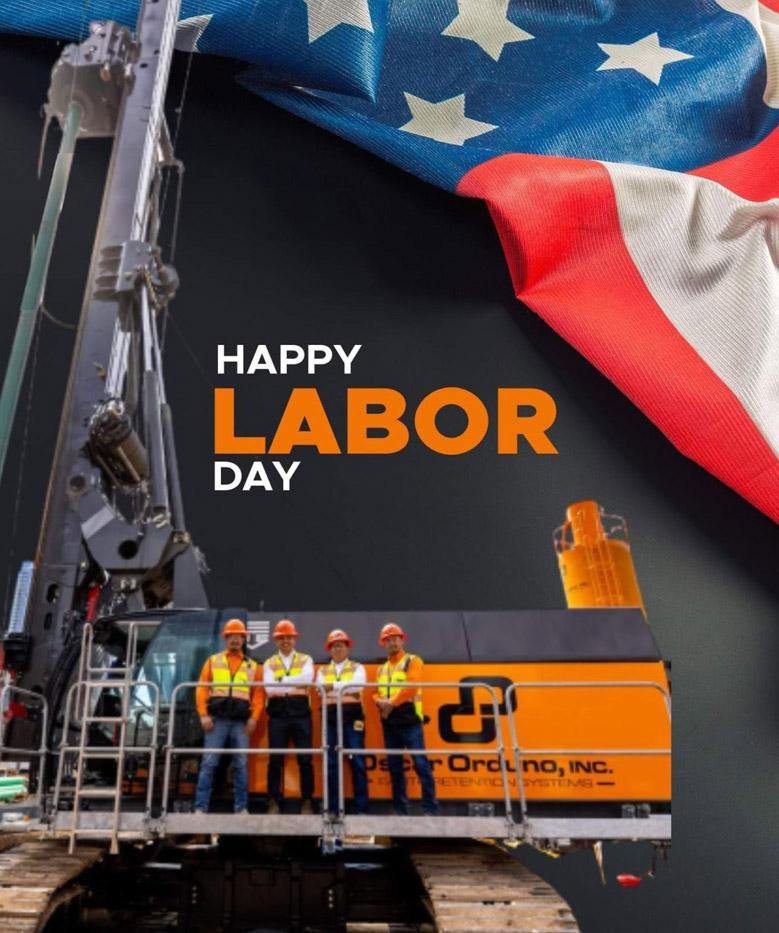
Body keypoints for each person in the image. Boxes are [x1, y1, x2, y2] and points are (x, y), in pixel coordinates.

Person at [194, 618, 263, 814]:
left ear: (243, 640)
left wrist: (254, 718)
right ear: (226, 638)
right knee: (209, 762)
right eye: (231, 636)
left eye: (238, 636)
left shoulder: (252, 666)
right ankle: (200, 807)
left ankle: (241, 807)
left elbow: (258, 695)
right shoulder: (213, 661)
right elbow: (201, 690)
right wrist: (203, 715)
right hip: (217, 721)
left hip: (241, 723)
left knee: (241, 764)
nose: (235, 640)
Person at [374, 622, 438, 816]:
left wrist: (391, 703)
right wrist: (379, 701)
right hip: (390, 722)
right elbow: (375, 692)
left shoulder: (413, 661)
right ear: (383, 644)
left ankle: (430, 810)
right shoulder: (381, 669)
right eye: (388, 640)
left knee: (421, 764)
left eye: (395, 639)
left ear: (402, 640)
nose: (392, 643)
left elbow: (412, 686)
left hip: (410, 721)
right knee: (394, 768)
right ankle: (401, 811)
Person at [263, 619, 314, 814]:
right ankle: (273, 801)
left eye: (289, 637)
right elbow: (269, 688)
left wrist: (281, 681)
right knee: (275, 760)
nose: (286, 641)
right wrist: (294, 682)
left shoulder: (306, 659)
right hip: (278, 715)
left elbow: (307, 680)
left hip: (301, 714)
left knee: (305, 759)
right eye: (282, 638)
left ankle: (307, 801)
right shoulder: (269, 662)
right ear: (276, 641)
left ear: (294, 640)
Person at [316, 628, 369, 816]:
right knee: (331, 765)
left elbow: (358, 685)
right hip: (330, 720)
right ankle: (332, 809)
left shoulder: (358, 667)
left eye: (341, 645)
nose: (337, 649)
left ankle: (361, 809)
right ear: (329, 650)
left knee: (358, 763)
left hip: (352, 720)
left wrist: (332, 687)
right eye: (334, 646)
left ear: (348, 648)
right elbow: (319, 690)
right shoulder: (322, 671)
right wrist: (345, 688)